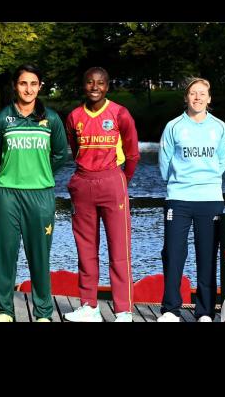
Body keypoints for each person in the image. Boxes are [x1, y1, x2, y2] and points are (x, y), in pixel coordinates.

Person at [0, 64, 68, 322]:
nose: (28, 89)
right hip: (7, 194)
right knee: (5, 253)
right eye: (23, 83)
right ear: (15, 86)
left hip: (40, 195)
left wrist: (39, 173)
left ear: (40, 86)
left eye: (33, 83)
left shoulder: (51, 119)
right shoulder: (2, 119)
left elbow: (59, 155)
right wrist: (13, 173)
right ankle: (4, 311)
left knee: (39, 255)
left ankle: (43, 313)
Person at [63, 67, 140, 323]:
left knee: (119, 249)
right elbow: (74, 149)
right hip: (83, 183)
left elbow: (132, 154)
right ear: (83, 85)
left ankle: (123, 310)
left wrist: (120, 181)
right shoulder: (74, 116)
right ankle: (89, 306)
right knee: (86, 249)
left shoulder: (120, 113)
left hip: (112, 181)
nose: (95, 87)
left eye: (100, 83)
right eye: (89, 82)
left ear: (108, 86)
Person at [157, 77, 225, 322]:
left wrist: (205, 182)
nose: (197, 97)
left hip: (210, 199)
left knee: (207, 255)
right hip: (178, 198)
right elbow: (164, 163)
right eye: (193, 93)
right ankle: (170, 309)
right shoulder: (174, 126)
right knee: (173, 253)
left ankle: (205, 312)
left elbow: (221, 162)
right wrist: (179, 183)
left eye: (202, 94)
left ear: (209, 99)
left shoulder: (219, 127)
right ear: (186, 98)